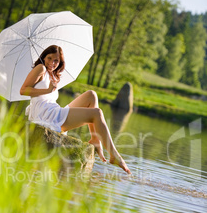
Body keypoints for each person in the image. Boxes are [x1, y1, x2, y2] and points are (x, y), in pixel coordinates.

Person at [20, 45, 131, 174]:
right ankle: (114, 155)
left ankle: (95, 139)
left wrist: (51, 86)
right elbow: (23, 90)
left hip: (53, 110)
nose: (52, 63)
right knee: (97, 113)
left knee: (91, 95)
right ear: (44, 57)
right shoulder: (41, 69)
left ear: (60, 62)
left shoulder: (51, 75)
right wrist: (48, 90)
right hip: (46, 115)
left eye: (56, 61)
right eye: (49, 58)